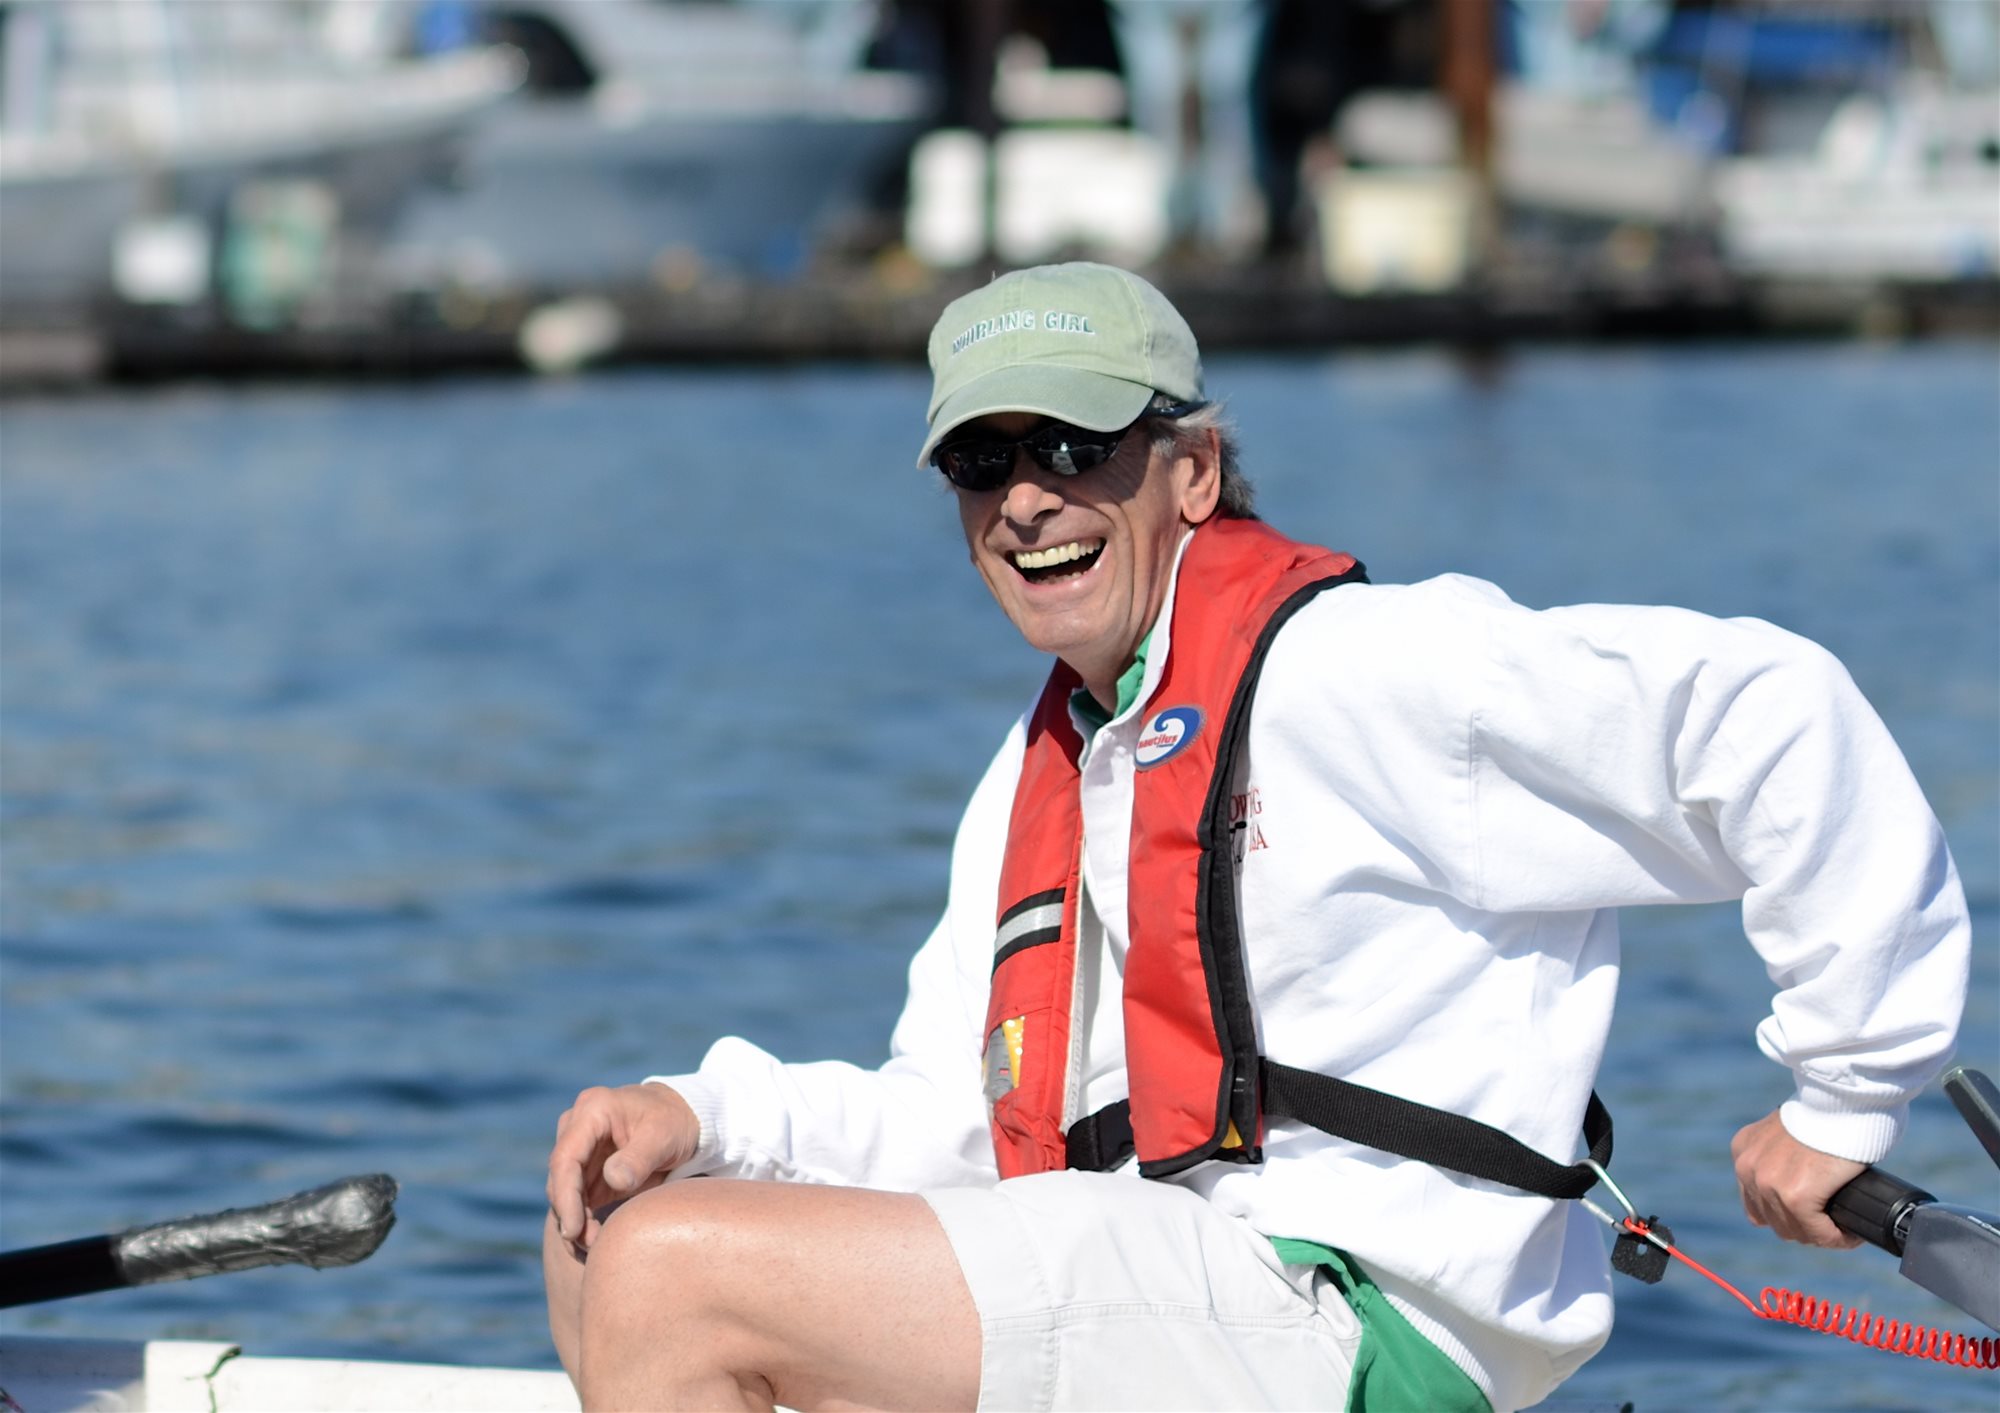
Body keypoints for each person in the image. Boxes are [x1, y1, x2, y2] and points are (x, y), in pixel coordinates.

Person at [542, 263, 1969, 1412]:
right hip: (1171, 1295)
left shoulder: (1364, 668)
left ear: (1195, 472)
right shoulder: (1039, 771)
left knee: (672, 1277)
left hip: (1360, 1320)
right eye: (983, 460)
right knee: (611, 1220)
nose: (1027, 494)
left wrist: (1843, 1098)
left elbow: (1772, 717)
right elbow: (959, 1124)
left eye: (1076, 447)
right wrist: (708, 1113)